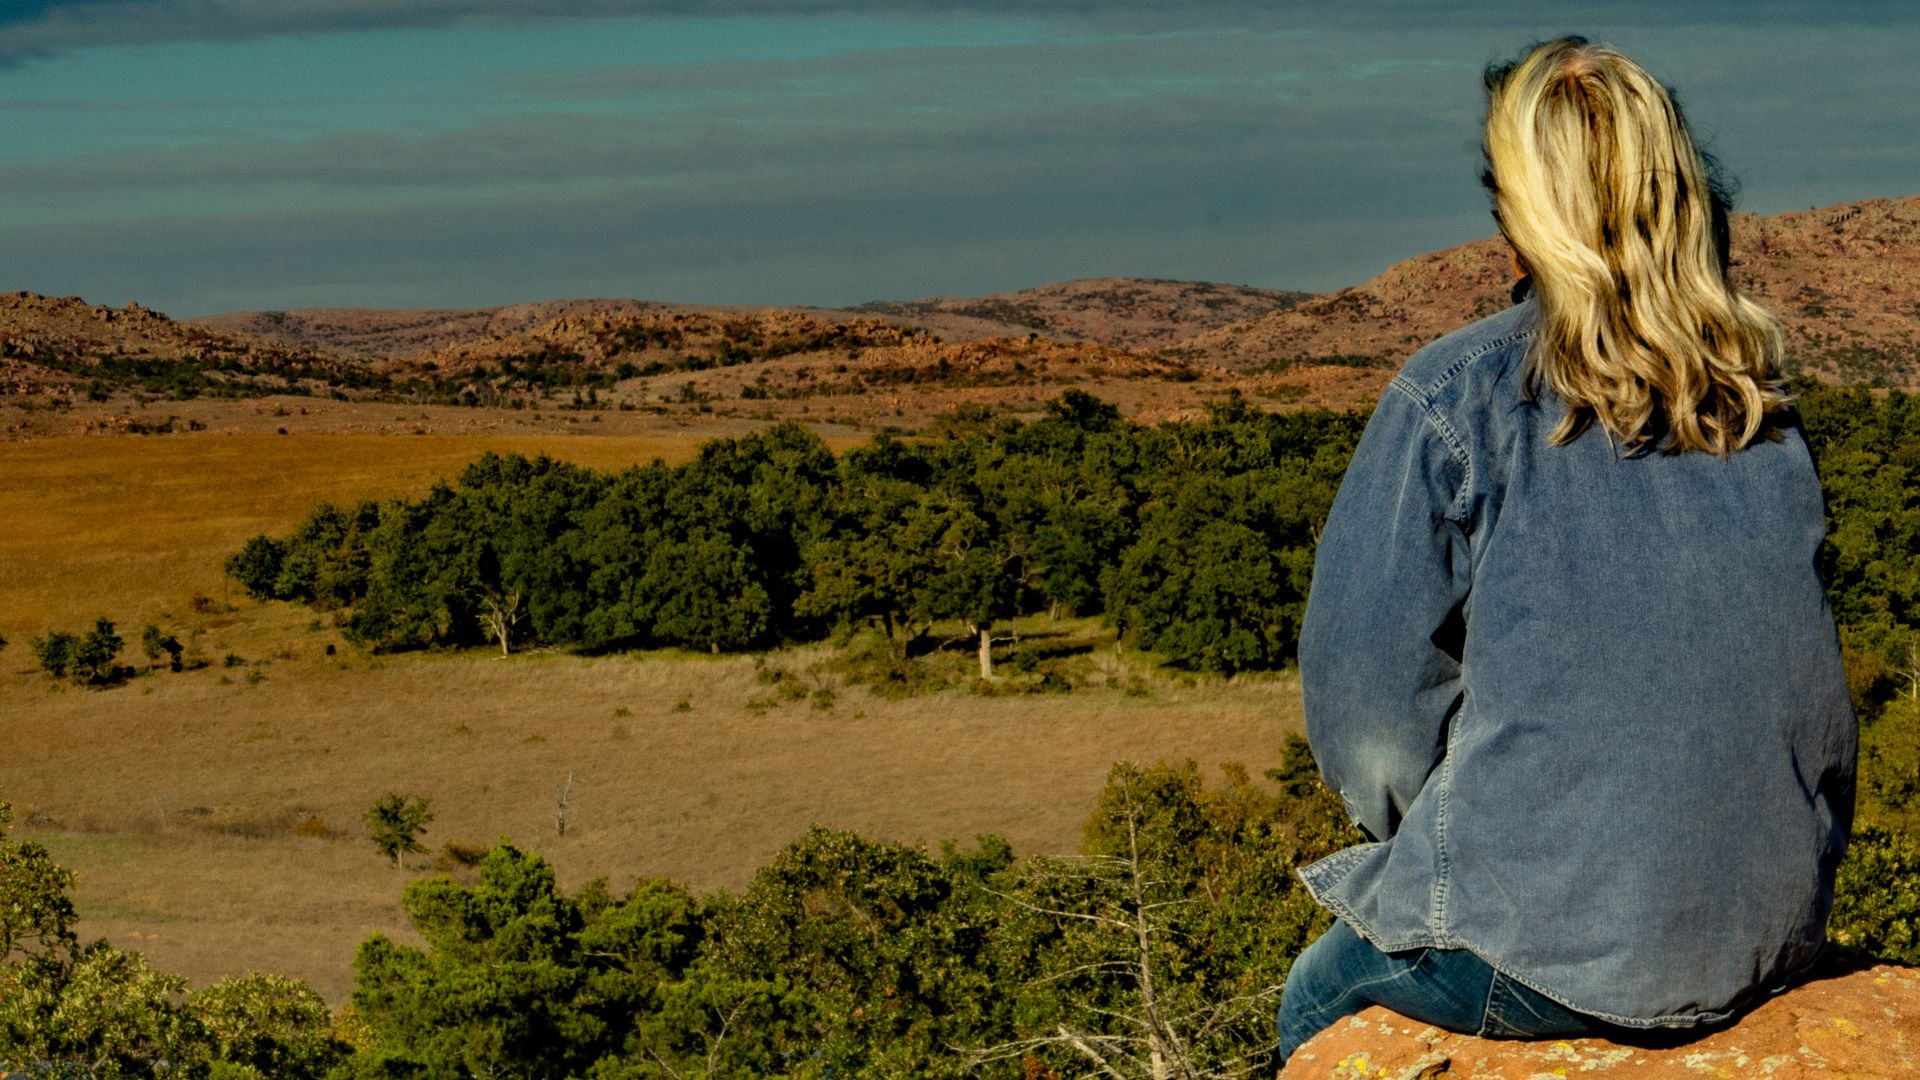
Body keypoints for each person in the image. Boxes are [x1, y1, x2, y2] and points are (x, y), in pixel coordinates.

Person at [1275, 37, 1856, 1066]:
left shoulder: (1454, 397)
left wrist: (1463, 836)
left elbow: (1364, 713)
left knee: (1314, 1005)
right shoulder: (1762, 412)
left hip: (1534, 949)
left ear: (1519, 208)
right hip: (1767, 928)